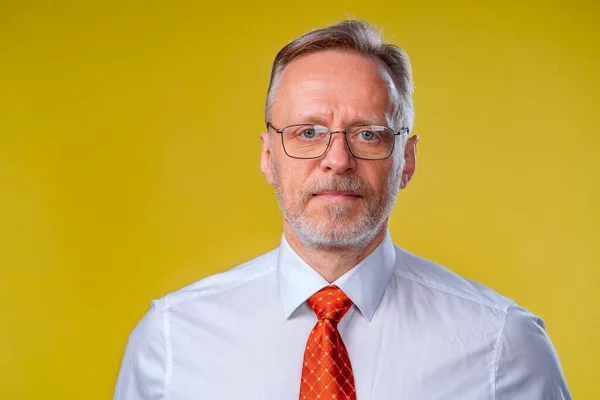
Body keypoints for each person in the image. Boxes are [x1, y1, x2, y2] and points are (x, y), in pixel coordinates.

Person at [113, 19, 571, 400]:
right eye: (308, 132)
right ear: (268, 156)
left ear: (405, 160)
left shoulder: (504, 347)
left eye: (369, 133)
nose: (337, 159)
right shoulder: (171, 342)